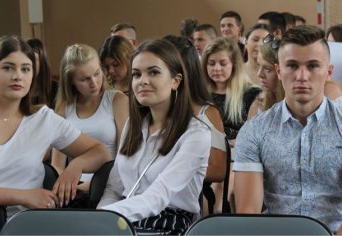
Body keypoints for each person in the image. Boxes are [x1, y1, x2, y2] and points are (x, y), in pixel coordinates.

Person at [233, 25, 342, 235]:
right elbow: (247, 215)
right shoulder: (254, 131)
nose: (302, 76)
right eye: (292, 65)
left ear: (328, 72)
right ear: (279, 71)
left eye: (312, 66)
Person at [0, 35, 112, 217]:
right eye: (8, 67)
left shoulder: (43, 119)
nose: (17, 76)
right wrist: (22, 196)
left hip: (28, 224)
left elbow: (101, 152)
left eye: (25, 69)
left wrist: (75, 166)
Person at [98, 39, 211, 235]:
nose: (142, 81)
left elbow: (158, 196)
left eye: (154, 72)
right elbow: (114, 189)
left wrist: (102, 218)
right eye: (136, 74)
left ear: (176, 81)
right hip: (124, 219)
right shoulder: (132, 126)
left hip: (169, 224)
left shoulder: (196, 134)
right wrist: (99, 222)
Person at [51, 43, 128, 195]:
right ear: (71, 80)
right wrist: (65, 187)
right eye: (84, 79)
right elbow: (57, 164)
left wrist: (91, 185)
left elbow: (124, 157)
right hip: (73, 186)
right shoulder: (64, 108)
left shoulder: (117, 100)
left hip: (111, 182)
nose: (94, 83)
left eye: (97, 73)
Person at [164, 35, 226, 214]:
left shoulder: (207, 113)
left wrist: (169, 171)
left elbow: (218, 170)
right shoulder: (151, 111)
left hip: (190, 198)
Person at [202, 37, 261, 212]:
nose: (216, 69)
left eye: (222, 63)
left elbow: (252, 134)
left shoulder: (251, 93)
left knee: (229, 167)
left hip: (238, 154)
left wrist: (233, 143)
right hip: (206, 151)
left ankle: (220, 213)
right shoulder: (199, 93)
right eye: (211, 63)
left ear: (234, 64)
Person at [247, 36, 284, 119]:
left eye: (267, 69)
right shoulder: (259, 104)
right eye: (258, 66)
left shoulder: (299, 107)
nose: (259, 74)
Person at [26, 38, 56, 107]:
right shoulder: (20, 87)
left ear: (42, 61)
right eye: (27, 58)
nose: (29, 63)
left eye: (34, 59)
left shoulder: (56, 89)